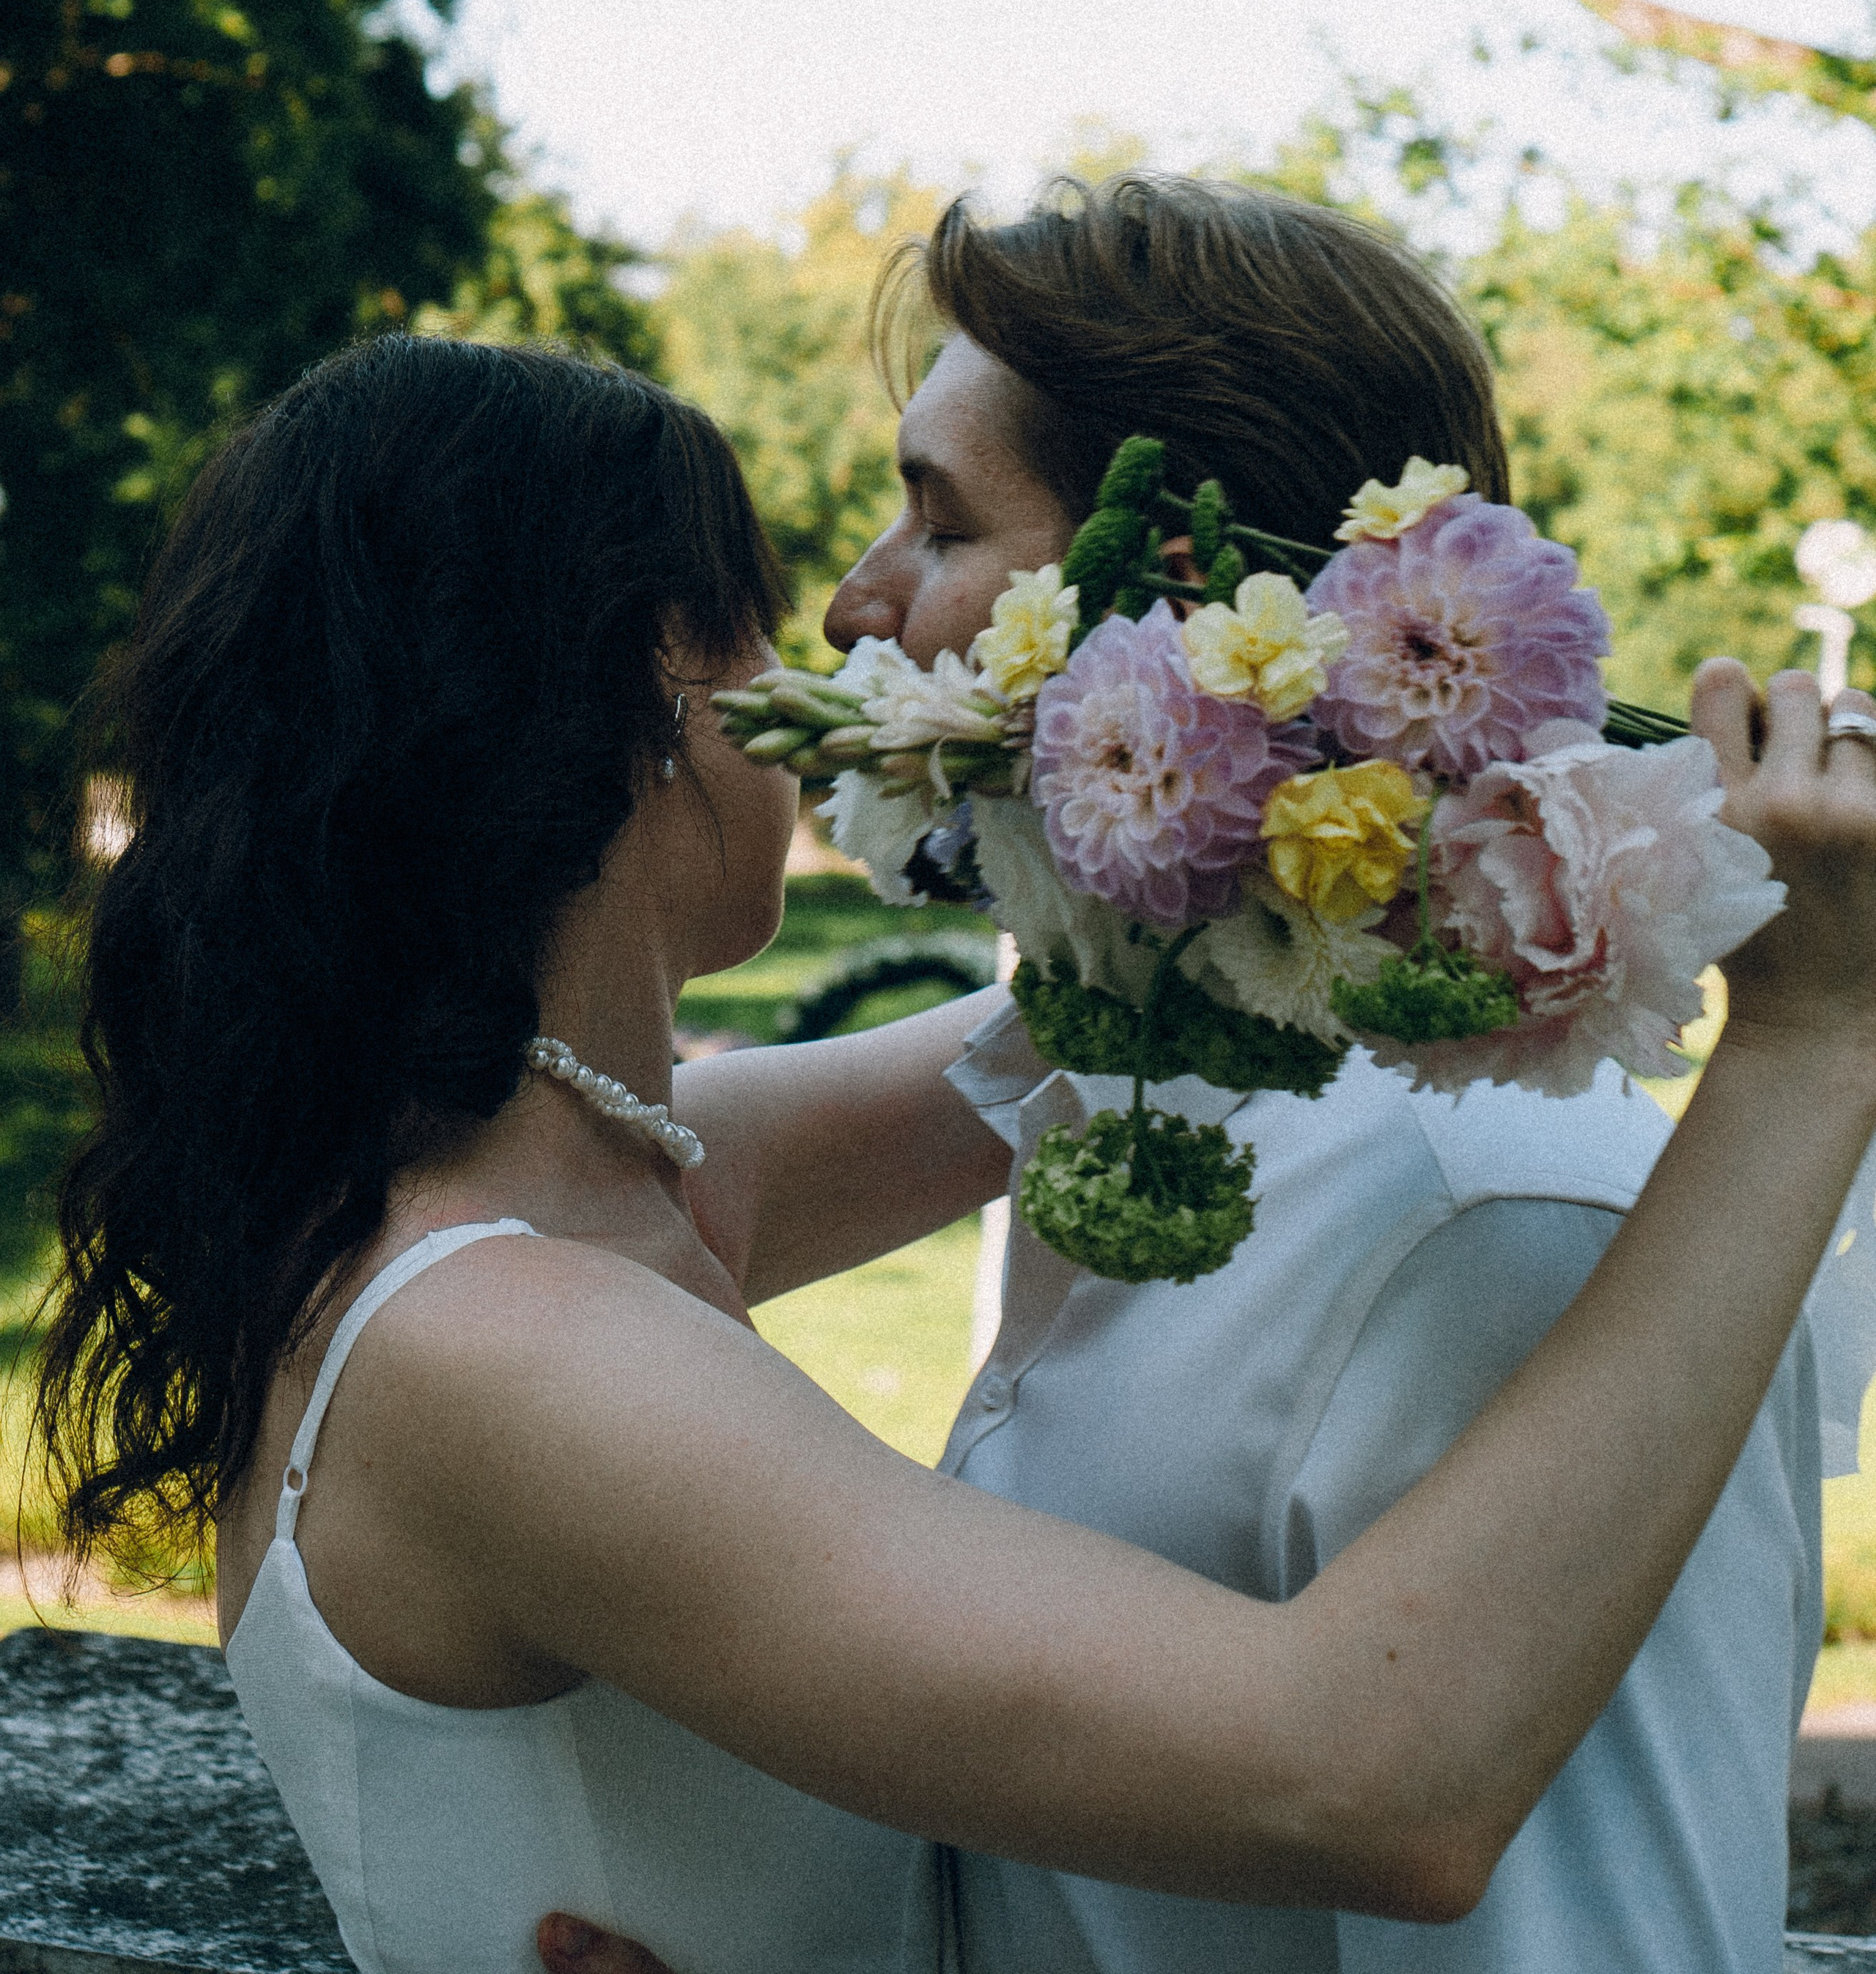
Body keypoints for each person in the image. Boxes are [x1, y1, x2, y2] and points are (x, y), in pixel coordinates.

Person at [31, 330, 1876, 1974]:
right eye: (759, 618)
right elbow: (1358, 1778)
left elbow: (1113, 1010)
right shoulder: (503, 1349)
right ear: (649, 690)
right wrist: (1810, 1042)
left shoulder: (575, 1168)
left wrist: (1295, 754)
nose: (841, 623)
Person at [550, 175, 1855, 1974]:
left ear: (1173, 613)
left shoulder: (1494, 1224)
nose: (854, 609)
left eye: (936, 523)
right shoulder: (1108, 1088)